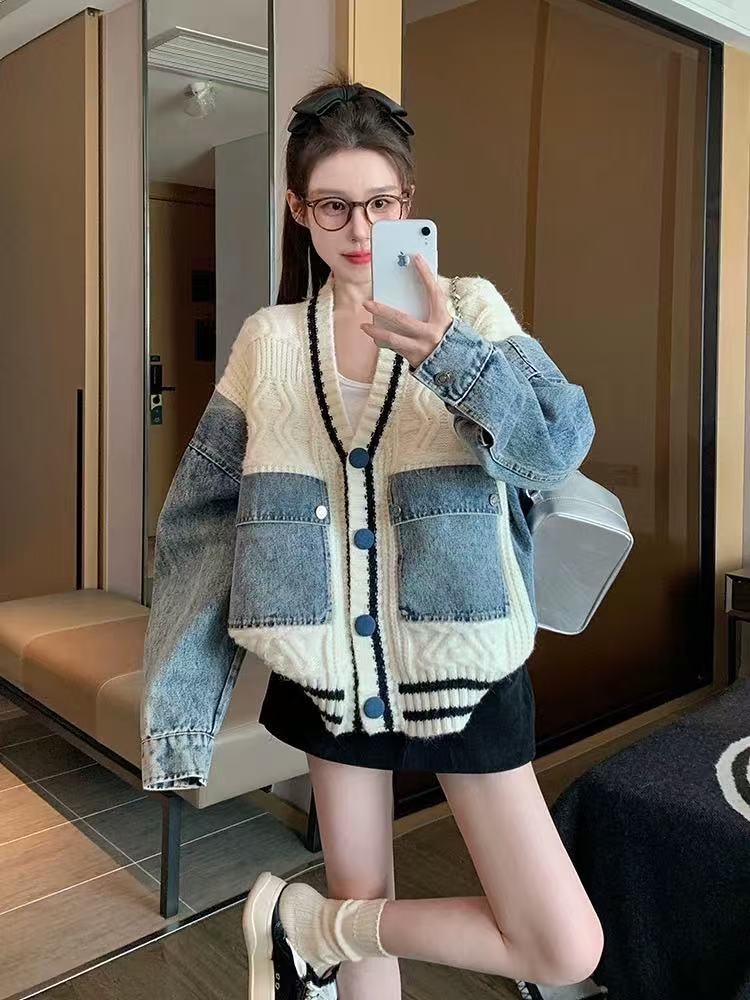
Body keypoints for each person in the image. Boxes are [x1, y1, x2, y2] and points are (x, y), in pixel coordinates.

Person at [139, 74, 602, 1000]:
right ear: (298, 212)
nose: (359, 229)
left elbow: (556, 445)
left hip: (466, 653)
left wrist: (451, 359)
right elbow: (203, 521)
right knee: (364, 921)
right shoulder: (269, 341)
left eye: (380, 203)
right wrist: (180, 708)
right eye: (334, 206)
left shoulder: (471, 309)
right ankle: (325, 930)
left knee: (563, 947)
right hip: (326, 668)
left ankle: (304, 926)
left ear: (408, 204)